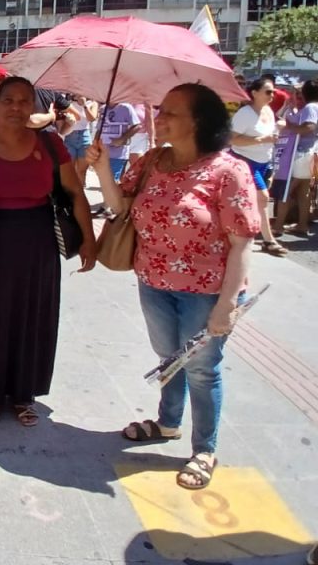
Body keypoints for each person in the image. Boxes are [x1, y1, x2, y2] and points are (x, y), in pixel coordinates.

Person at [88, 83, 259, 490]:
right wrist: (101, 167)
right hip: (153, 282)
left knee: (202, 369)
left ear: (199, 122)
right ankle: (168, 423)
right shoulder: (151, 161)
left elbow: (242, 241)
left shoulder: (228, 171)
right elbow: (119, 207)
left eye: (171, 112)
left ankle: (205, 448)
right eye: (160, 109)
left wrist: (227, 304)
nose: (159, 117)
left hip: (207, 292)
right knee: (169, 360)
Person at [0, 77, 95, 428]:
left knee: (32, 315)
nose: (16, 108)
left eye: (24, 101)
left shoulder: (51, 145)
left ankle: (23, 392)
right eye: (8, 101)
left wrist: (90, 240)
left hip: (38, 242)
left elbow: (76, 193)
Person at [230, 78, 287, 256]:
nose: (272, 95)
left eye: (273, 92)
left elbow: (271, 134)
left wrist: (279, 127)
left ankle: (242, 234)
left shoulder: (268, 111)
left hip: (264, 162)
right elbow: (231, 139)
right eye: (268, 91)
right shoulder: (245, 113)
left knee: (251, 202)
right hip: (244, 161)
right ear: (254, 93)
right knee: (262, 198)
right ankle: (269, 240)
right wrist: (262, 140)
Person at [273, 79, 318, 238]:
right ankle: (302, 225)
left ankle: (278, 227)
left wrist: (290, 127)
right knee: (304, 192)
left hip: (301, 153)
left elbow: (309, 127)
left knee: (287, 190)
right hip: (311, 153)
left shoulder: (311, 107)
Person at [99, 102, 141, 182]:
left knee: (112, 181)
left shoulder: (126, 107)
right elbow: (99, 129)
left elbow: (137, 126)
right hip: (104, 151)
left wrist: (121, 139)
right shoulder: (103, 109)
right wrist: (95, 144)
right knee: (105, 181)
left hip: (118, 153)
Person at [63, 95, 98, 187]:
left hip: (84, 137)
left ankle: (80, 195)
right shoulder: (68, 103)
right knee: (70, 170)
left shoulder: (92, 103)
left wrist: (84, 105)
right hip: (70, 136)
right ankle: (69, 195)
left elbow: (92, 118)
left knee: (81, 171)